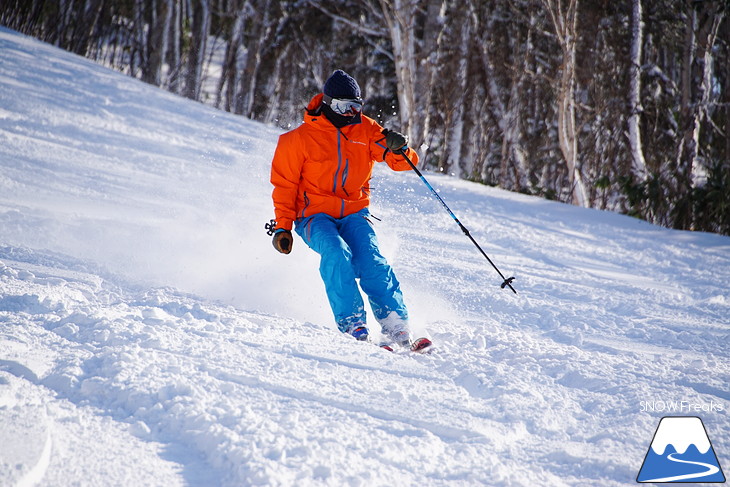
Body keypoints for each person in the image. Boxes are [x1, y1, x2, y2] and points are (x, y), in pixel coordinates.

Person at [269, 69, 418, 347]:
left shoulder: (366, 129)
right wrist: (283, 227)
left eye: (356, 106)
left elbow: (403, 163)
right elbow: (285, 186)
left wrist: (401, 149)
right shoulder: (297, 140)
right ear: (327, 103)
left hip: (354, 213)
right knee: (337, 254)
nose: (350, 113)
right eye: (342, 106)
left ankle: (395, 321)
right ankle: (352, 322)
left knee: (372, 261)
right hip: (313, 216)